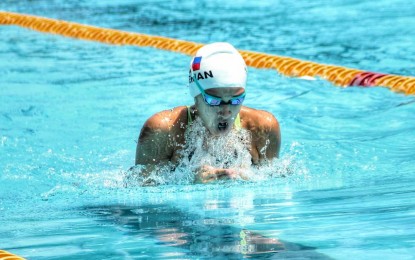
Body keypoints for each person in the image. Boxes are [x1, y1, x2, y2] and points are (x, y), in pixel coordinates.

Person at [134, 42, 281, 184]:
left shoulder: (262, 128)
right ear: (195, 94)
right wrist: (189, 182)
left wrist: (250, 180)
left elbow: (273, 189)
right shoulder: (164, 131)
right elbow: (141, 197)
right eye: (215, 101)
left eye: (236, 100)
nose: (226, 111)